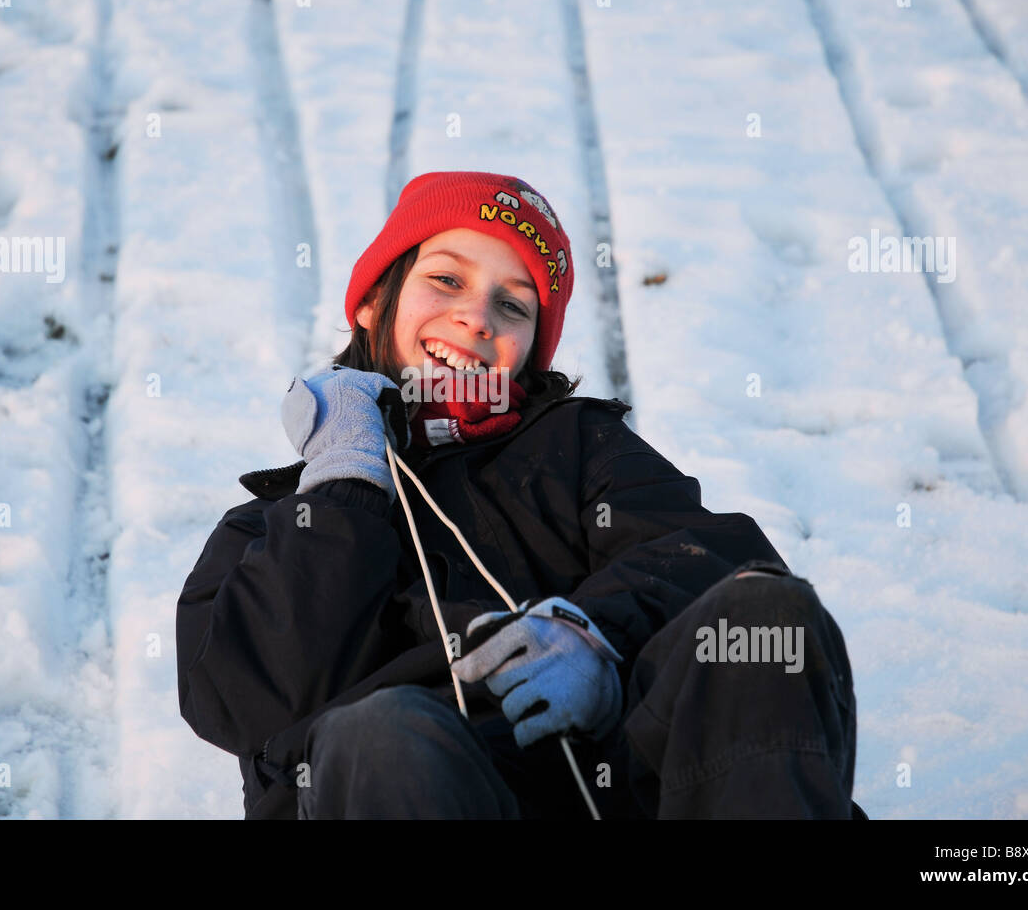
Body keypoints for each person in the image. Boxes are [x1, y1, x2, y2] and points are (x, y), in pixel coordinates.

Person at [176, 170, 865, 819]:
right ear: (372, 303)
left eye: (512, 304)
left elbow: (714, 560)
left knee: (759, 618)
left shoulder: (578, 450)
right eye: (446, 278)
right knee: (383, 732)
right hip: (408, 783)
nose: (477, 317)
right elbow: (239, 700)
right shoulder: (269, 528)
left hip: (604, 779)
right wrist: (345, 488)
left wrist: (594, 637)